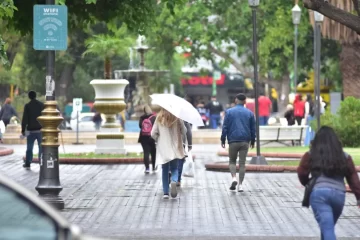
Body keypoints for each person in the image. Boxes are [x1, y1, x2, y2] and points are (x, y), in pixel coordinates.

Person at [297, 126, 360, 240]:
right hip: (339, 195)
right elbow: (353, 179)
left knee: (327, 229)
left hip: (319, 194)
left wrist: (308, 182)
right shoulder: (345, 157)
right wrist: (359, 197)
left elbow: (301, 172)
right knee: (327, 228)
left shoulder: (310, 155)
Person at [221, 94, 256, 192]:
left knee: (232, 161)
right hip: (245, 141)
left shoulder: (229, 112)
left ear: (236, 100)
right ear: (245, 102)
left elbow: (225, 127)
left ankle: (234, 178)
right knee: (242, 163)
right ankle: (240, 185)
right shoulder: (250, 113)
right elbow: (253, 129)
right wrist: (253, 140)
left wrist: (223, 139)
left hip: (233, 140)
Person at [151, 108, 187, 199]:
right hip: (175, 147)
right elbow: (184, 131)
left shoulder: (159, 118)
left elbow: (153, 133)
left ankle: (166, 193)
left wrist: (158, 139)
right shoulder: (177, 118)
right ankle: (174, 180)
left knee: (165, 169)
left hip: (164, 148)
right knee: (174, 168)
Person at [21, 91, 44, 169]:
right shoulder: (41, 105)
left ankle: (28, 162)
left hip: (30, 131)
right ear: (35, 96)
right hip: (40, 130)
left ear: (29, 97)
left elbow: (25, 119)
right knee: (41, 147)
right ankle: (41, 161)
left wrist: (23, 130)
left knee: (29, 148)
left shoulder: (27, 106)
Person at [138, 105, 156, 173]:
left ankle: (147, 168)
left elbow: (140, 126)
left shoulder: (142, 117)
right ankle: (154, 167)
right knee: (154, 153)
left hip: (143, 137)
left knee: (146, 153)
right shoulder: (154, 117)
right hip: (152, 137)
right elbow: (156, 127)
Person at [177, 121, 192, 186]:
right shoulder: (185, 120)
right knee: (180, 160)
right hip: (181, 144)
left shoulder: (170, 118)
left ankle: (170, 174)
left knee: (171, 159)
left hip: (170, 143)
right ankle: (178, 179)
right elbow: (189, 133)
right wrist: (190, 145)